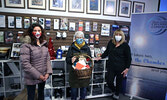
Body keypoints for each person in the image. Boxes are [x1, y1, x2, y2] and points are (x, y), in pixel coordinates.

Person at [95, 29, 132, 100]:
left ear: (122, 36)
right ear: (114, 35)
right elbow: (106, 52)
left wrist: (127, 69)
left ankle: (117, 94)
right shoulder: (111, 43)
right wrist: (100, 57)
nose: (118, 36)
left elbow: (129, 58)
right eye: (116, 35)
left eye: (120, 35)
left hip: (121, 67)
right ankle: (115, 90)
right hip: (111, 66)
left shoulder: (125, 45)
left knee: (119, 82)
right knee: (109, 81)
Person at [20, 23, 53, 100]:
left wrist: (48, 72)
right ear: (31, 32)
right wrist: (39, 76)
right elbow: (25, 64)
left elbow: (47, 59)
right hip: (31, 77)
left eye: (39, 30)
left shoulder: (43, 44)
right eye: (35, 30)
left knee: (41, 95)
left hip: (43, 76)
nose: (37, 32)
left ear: (41, 32)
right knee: (31, 96)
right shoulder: (26, 45)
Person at [66, 31, 91, 100]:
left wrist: (87, 60)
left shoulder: (87, 48)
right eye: (77, 37)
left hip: (84, 73)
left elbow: (90, 58)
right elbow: (67, 60)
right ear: (75, 38)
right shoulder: (71, 48)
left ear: (83, 38)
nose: (79, 39)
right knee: (74, 91)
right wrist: (70, 60)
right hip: (74, 73)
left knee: (83, 90)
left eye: (80, 37)